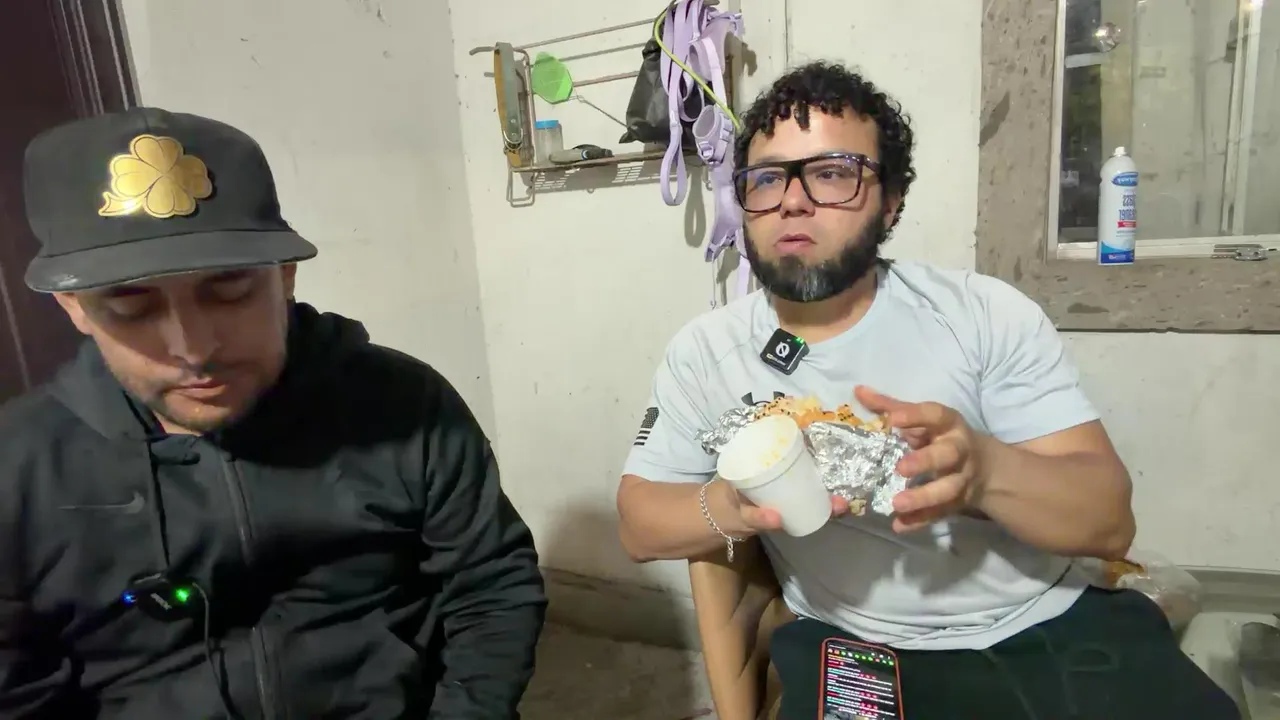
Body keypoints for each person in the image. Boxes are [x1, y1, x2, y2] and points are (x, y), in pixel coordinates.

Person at [615, 62, 1238, 719]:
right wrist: (734, 505)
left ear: (891, 201)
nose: (792, 201)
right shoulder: (707, 353)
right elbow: (638, 524)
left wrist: (985, 472)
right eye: (767, 179)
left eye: (831, 173)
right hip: (855, 641)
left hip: (1045, 617)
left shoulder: (980, 314)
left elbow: (1108, 522)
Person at [0, 108, 546, 719]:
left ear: (285, 277)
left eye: (229, 289)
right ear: (74, 306)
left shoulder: (403, 403)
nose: (194, 348)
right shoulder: (19, 464)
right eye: (131, 306)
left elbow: (490, 585)